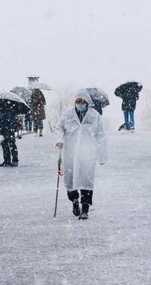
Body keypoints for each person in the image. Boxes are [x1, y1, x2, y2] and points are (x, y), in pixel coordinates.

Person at [55, 90, 107, 220]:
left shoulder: (94, 116)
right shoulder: (68, 114)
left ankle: (85, 209)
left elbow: (101, 135)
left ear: (87, 102)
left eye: (83, 102)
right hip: (71, 151)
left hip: (88, 153)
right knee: (70, 180)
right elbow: (59, 128)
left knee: (86, 181)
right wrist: (59, 140)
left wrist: (102, 156)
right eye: (78, 101)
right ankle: (74, 201)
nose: (80, 104)